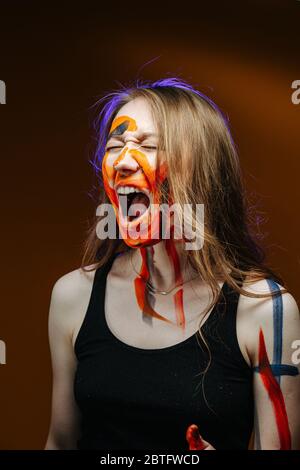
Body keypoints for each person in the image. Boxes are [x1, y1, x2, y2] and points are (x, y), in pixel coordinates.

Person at [44, 78, 300, 450]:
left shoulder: (264, 310)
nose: (123, 161)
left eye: (147, 146)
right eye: (115, 146)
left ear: (201, 169)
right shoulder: (73, 296)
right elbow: (61, 440)